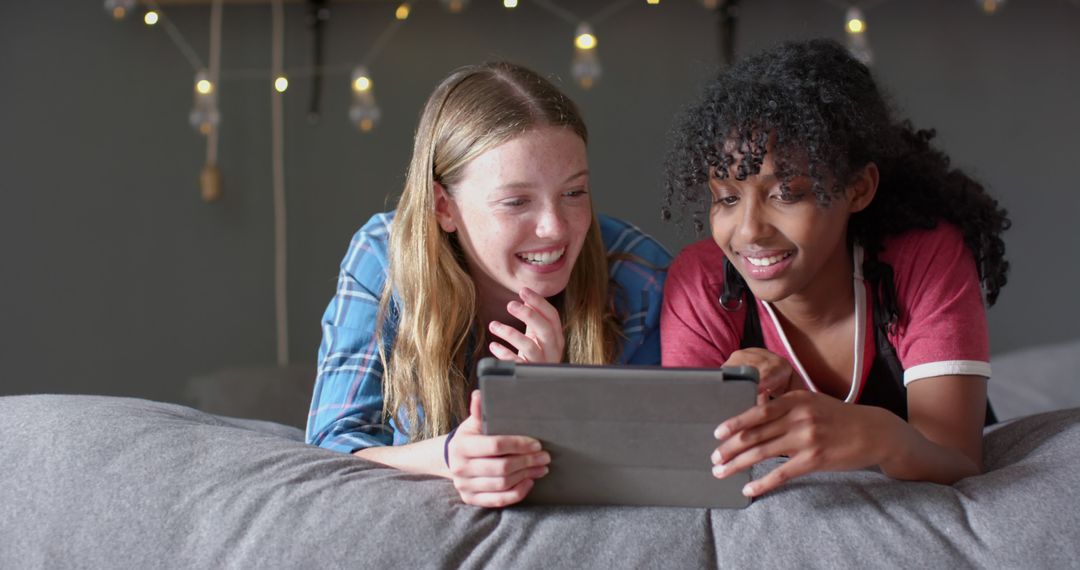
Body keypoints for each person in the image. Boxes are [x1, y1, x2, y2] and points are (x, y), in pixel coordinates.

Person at [307, 61, 671, 508]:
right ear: (444, 207)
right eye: (517, 201)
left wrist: (554, 400)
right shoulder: (383, 260)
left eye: (574, 193)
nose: (555, 228)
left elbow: (668, 460)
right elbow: (331, 445)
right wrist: (449, 456)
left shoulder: (639, 276)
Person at [661, 39, 1010, 499]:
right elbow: (684, 469)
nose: (748, 232)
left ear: (859, 189)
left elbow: (958, 459)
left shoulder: (923, 257)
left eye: (786, 193)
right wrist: (723, 404)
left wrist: (879, 436)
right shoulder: (700, 282)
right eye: (726, 198)